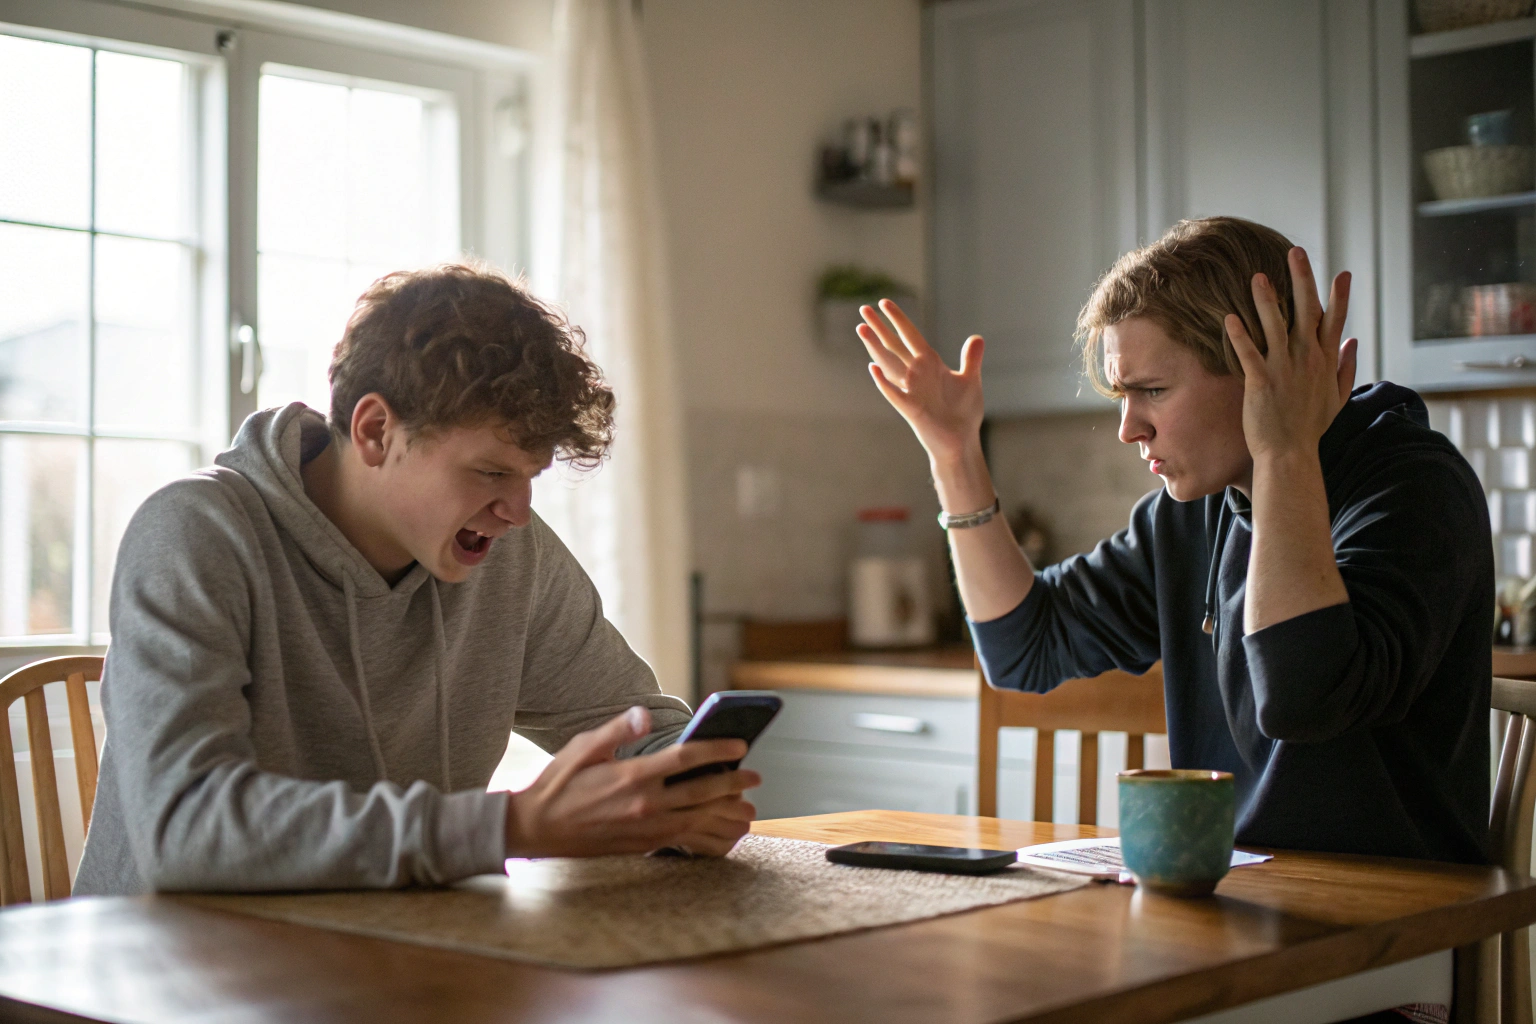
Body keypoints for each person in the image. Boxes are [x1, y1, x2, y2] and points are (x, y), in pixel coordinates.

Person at [74, 263, 758, 895]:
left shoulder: (509, 558)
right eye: (491, 473)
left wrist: (680, 796)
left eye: (530, 478)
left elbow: (645, 732)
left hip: (385, 960)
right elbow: (186, 830)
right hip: (166, 976)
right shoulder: (196, 534)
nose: (518, 513)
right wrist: (509, 827)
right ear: (375, 431)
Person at [860, 217, 1492, 865]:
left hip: (1399, 922)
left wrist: (1284, 449)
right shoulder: (1191, 514)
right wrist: (955, 456)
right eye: (1120, 395)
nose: (1128, 429)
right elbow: (1023, 647)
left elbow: (1305, 699)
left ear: (1265, 369)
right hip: (1242, 897)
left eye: (1153, 391)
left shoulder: (1412, 486)